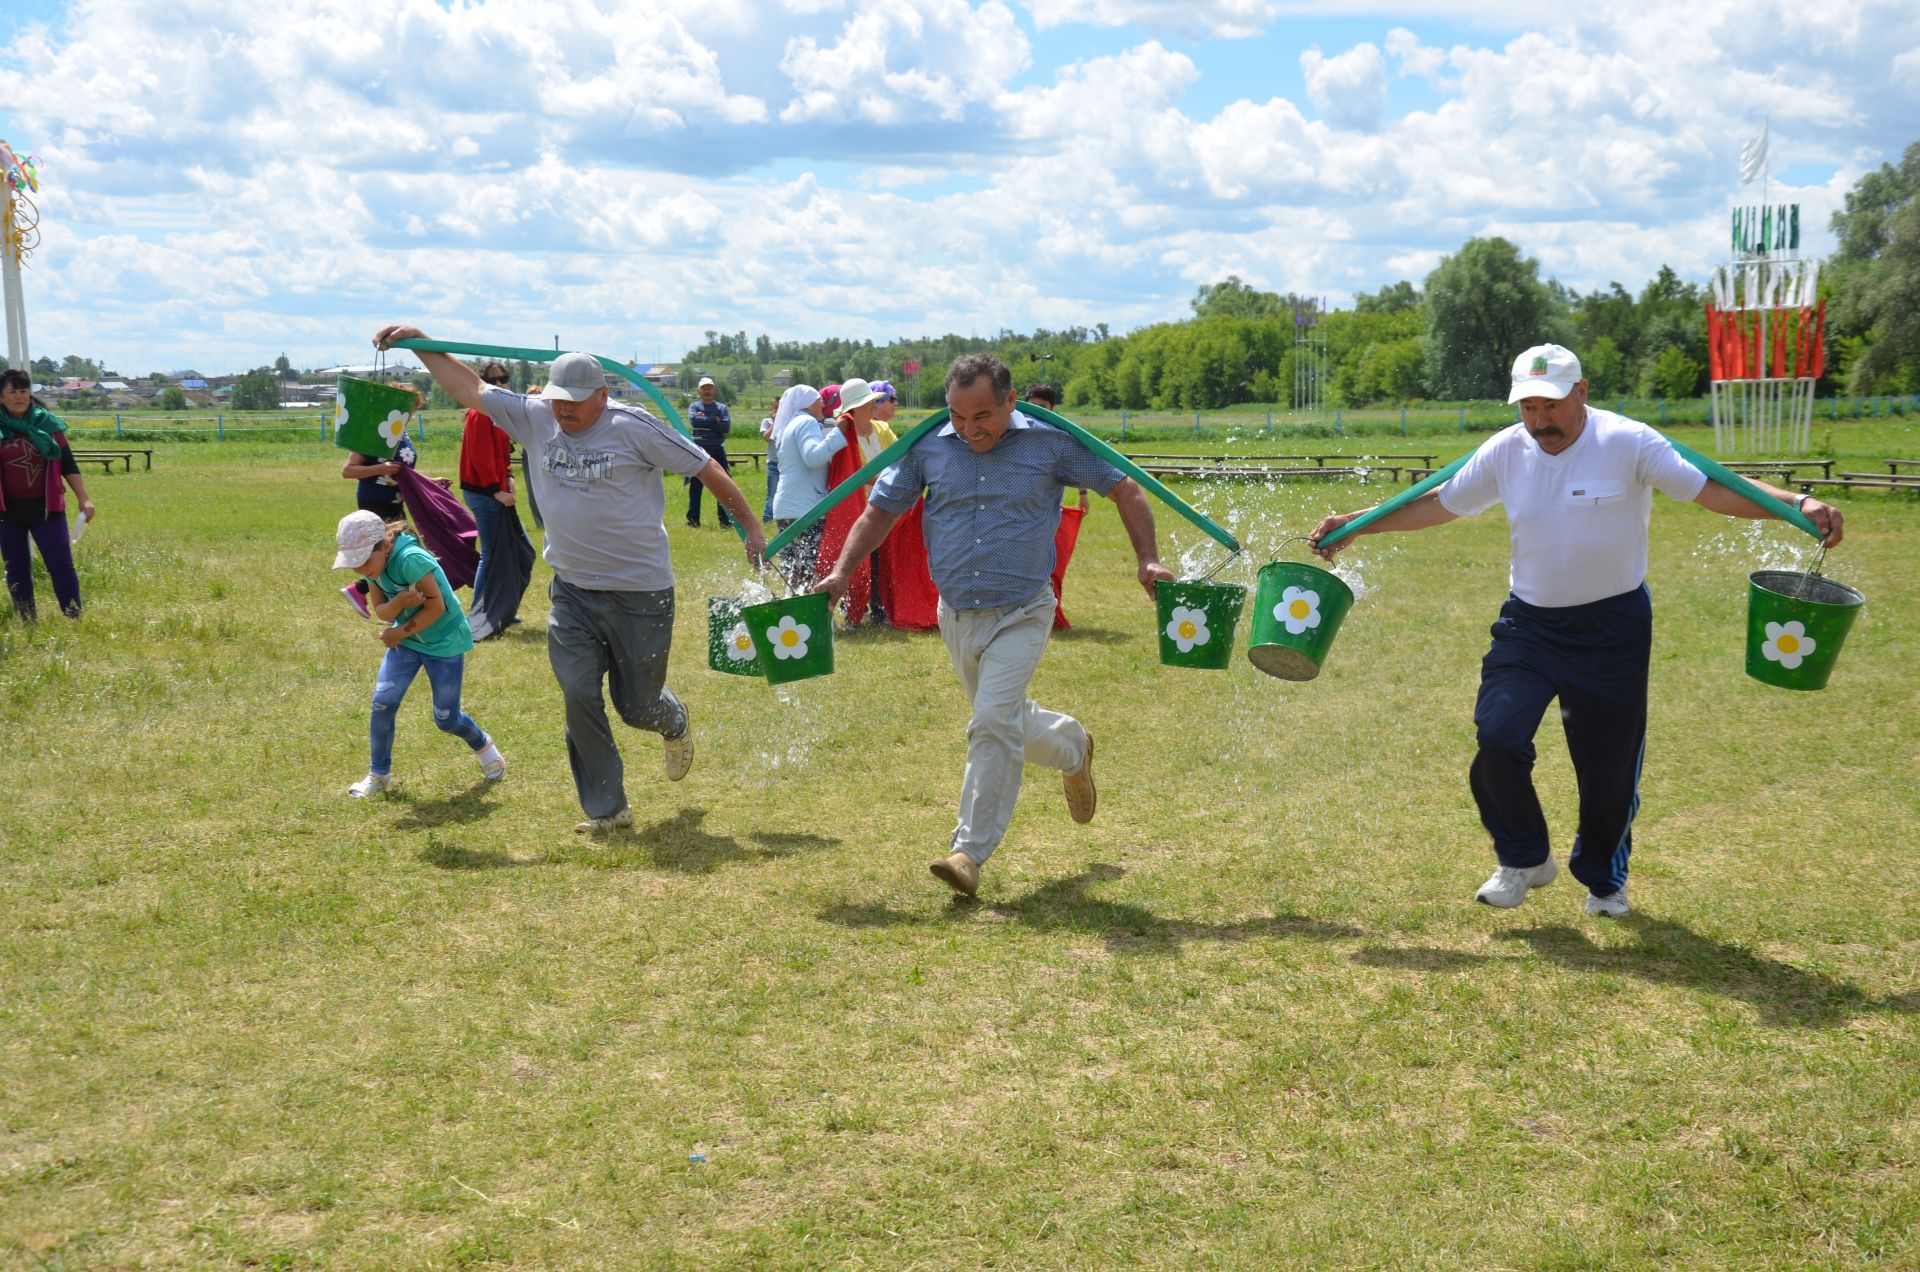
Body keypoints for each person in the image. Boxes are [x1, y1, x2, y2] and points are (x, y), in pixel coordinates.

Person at [1309, 343, 1844, 918]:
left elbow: (1710, 488)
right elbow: (1441, 502)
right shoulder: (1507, 451)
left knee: (1608, 771)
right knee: (1497, 738)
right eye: (1528, 408)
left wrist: (1797, 503)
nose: (1540, 422)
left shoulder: (1628, 442)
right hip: (1529, 626)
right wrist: (1359, 524)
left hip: (1613, 628)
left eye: (1552, 406)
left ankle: (1604, 880)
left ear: (1582, 393)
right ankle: (1524, 858)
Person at [374, 326, 765, 834]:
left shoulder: (636, 427)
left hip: (641, 592)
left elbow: (706, 466)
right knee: (578, 693)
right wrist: (420, 342)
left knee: (636, 705)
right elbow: (469, 388)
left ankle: (674, 720)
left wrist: (752, 528)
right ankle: (608, 810)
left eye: (578, 402)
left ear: (603, 394)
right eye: (559, 399)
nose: (565, 410)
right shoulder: (535, 416)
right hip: (573, 591)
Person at [818, 354, 1175, 897]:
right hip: (956, 613)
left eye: (982, 415)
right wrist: (843, 571)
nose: (969, 429)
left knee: (989, 723)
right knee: (1005, 722)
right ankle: (1073, 746)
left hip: (1023, 610)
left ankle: (968, 852)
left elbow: (1123, 487)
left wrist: (1146, 558)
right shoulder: (930, 445)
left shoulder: (1049, 443)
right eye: (958, 417)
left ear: (1010, 401)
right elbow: (882, 511)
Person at [331, 510, 505, 798]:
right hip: (409, 643)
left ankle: (484, 746)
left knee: (447, 719)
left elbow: (436, 608)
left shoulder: (411, 559)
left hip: (444, 644)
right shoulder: (373, 569)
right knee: (382, 703)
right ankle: (378, 775)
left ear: (384, 546)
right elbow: (383, 611)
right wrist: (398, 602)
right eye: (354, 563)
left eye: (363, 561)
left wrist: (398, 633)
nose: (359, 570)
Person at [0, 369, 94, 620]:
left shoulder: (48, 425)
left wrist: (83, 497)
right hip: (7, 512)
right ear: (1, 397)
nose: (19, 397)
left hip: (48, 509)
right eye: (13, 392)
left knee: (61, 565)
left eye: (23, 391)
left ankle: (73, 616)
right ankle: (27, 619)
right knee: (16, 569)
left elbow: (68, 463)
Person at [768, 383, 845, 590]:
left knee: (792, 570)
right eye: (817, 399)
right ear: (807, 404)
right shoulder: (806, 422)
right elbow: (813, 457)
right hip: (805, 508)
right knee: (810, 569)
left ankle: (791, 615)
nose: (822, 403)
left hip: (786, 507)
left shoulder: (790, 424)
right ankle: (811, 615)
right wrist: (840, 433)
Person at [459, 362, 518, 621]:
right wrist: (496, 490)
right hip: (485, 494)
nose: (499, 384)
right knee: (492, 554)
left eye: (503, 378)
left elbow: (501, 453)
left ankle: (498, 608)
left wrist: (508, 477)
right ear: (482, 382)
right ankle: (480, 613)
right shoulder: (481, 413)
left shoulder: (494, 412)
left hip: (495, 490)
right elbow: (482, 457)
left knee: (508, 550)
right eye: (493, 380)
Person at [685, 375, 733, 529]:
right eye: (704, 388)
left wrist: (705, 418)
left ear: (714, 390)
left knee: (722, 485)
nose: (707, 391)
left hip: (717, 450)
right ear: (699, 391)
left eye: (709, 388)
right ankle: (693, 521)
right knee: (695, 487)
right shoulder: (694, 406)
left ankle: (725, 521)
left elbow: (725, 428)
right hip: (698, 450)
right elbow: (694, 421)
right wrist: (715, 419)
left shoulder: (722, 408)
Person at [759, 396, 781, 523]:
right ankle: (768, 517)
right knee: (772, 492)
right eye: (776, 407)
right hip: (773, 463)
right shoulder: (767, 421)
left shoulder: (788, 421)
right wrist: (775, 423)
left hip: (786, 463)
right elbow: (767, 437)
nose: (778, 411)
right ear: (771, 408)